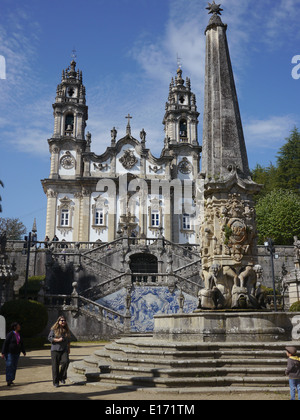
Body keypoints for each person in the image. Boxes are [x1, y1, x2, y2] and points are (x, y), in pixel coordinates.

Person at [48, 316, 71, 387]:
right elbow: (49, 338)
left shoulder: (66, 330)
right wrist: (58, 340)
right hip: (55, 350)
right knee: (55, 366)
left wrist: (69, 348)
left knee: (66, 361)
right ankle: (56, 382)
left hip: (64, 349)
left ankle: (62, 377)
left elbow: (68, 340)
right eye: (62, 320)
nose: (63, 321)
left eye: (64, 320)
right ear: (58, 321)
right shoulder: (54, 329)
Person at [1, 322, 26, 386]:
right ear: (15, 327)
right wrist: (3, 352)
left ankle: (11, 379)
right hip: (9, 353)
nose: (19, 327)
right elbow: (5, 343)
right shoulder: (10, 334)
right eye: (18, 326)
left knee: (14, 366)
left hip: (17, 353)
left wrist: (23, 351)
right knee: (9, 366)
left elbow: (21, 343)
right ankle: (8, 380)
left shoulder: (19, 334)